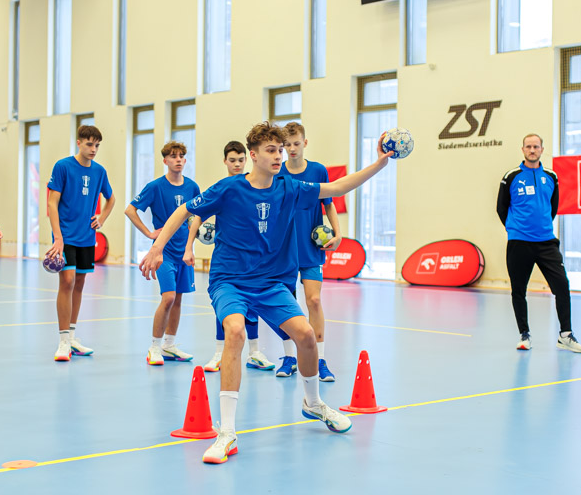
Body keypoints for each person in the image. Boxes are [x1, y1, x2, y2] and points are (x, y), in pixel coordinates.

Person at [140, 121, 395, 465]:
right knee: (235, 331)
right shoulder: (229, 188)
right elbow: (185, 210)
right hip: (230, 280)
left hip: (272, 282)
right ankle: (227, 433)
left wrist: (379, 163)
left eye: (281, 150)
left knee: (306, 335)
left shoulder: (290, 188)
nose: (279, 156)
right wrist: (157, 247)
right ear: (254, 155)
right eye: (271, 151)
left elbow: (337, 187)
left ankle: (313, 403)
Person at [186, 140, 280, 373]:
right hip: (228, 261)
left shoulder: (256, 186)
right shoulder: (223, 188)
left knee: (253, 306)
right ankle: (219, 353)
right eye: (232, 160)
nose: (237, 164)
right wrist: (189, 247)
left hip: (255, 261)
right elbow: (197, 215)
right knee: (226, 308)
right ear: (225, 161)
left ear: (247, 159)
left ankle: (255, 352)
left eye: (240, 160)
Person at [496, 134, 581, 353]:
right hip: (519, 242)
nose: (532, 150)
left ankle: (565, 335)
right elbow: (501, 208)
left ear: (542, 149)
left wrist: (541, 227)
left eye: (536, 146)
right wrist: (514, 228)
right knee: (519, 290)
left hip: (546, 242)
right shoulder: (511, 176)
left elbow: (553, 208)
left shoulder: (551, 177)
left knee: (562, 286)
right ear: (523, 149)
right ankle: (524, 334)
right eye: (528, 146)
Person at [125, 141, 199, 366]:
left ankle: (169, 345)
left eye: (181, 156)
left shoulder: (192, 187)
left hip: (183, 252)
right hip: (163, 252)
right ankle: (154, 347)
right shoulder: (155, 186)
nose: (178, 160)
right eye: (173, 156)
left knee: (178, 299)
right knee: (168, 298)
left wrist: (191, 243)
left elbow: (197, 215)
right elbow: (130, 210)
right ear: (165, 160)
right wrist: (149, 233)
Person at [46, 124, 116, 362]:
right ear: (79, 143)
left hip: (87, 237)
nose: (93, 149)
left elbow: (111, 198)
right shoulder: (63, 166)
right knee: (66, 281)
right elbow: (52, 203)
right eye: (89, 144)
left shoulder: (99, 171)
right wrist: (57, 237)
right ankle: (63, 340)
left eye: (97, 145)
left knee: (79, 283)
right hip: (65, 236)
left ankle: (73, 337)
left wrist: (102, 218)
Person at [281, 122, 341, 380]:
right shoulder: (277, 172)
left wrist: (338, 233)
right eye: (287, 145)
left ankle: (320, 359)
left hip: (310, 248)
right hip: (282, 250)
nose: (292, 149)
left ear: (305, 143)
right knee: (286, 305)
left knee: (314, 301)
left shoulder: (318, 171)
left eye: (296, 143)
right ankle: (289, 357)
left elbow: (329, 204)